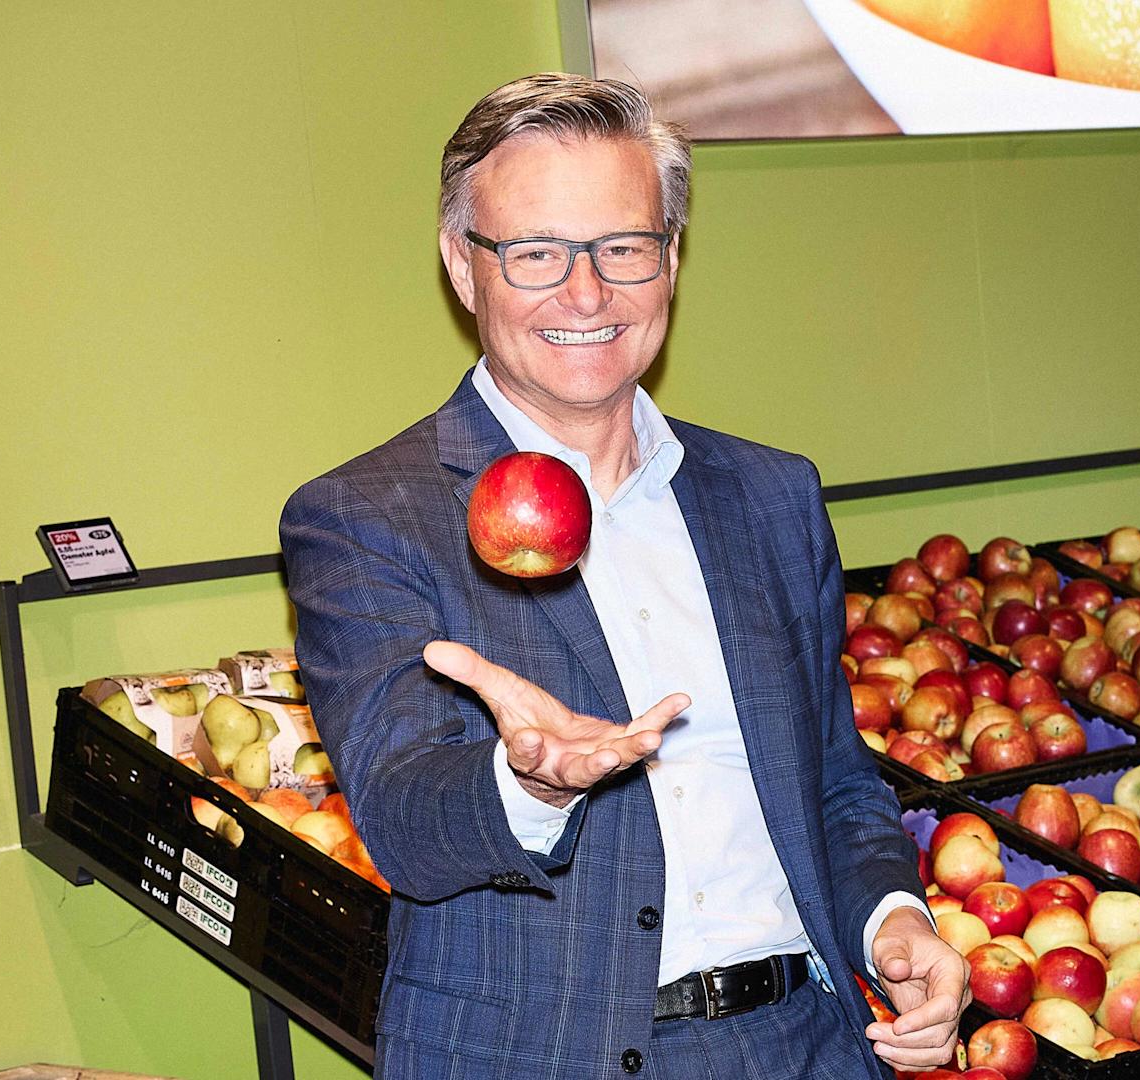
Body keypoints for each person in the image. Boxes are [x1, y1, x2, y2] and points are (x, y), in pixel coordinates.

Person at [281, 72, 967, 1079]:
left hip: (804, 1043)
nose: (587, 293)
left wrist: (892, 922)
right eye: (536, 253)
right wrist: (525, 781)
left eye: (623, 247)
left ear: (672, 258)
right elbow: (403, 824)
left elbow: (831, 778)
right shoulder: (369, 518)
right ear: (463, 266)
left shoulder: (769, 496)